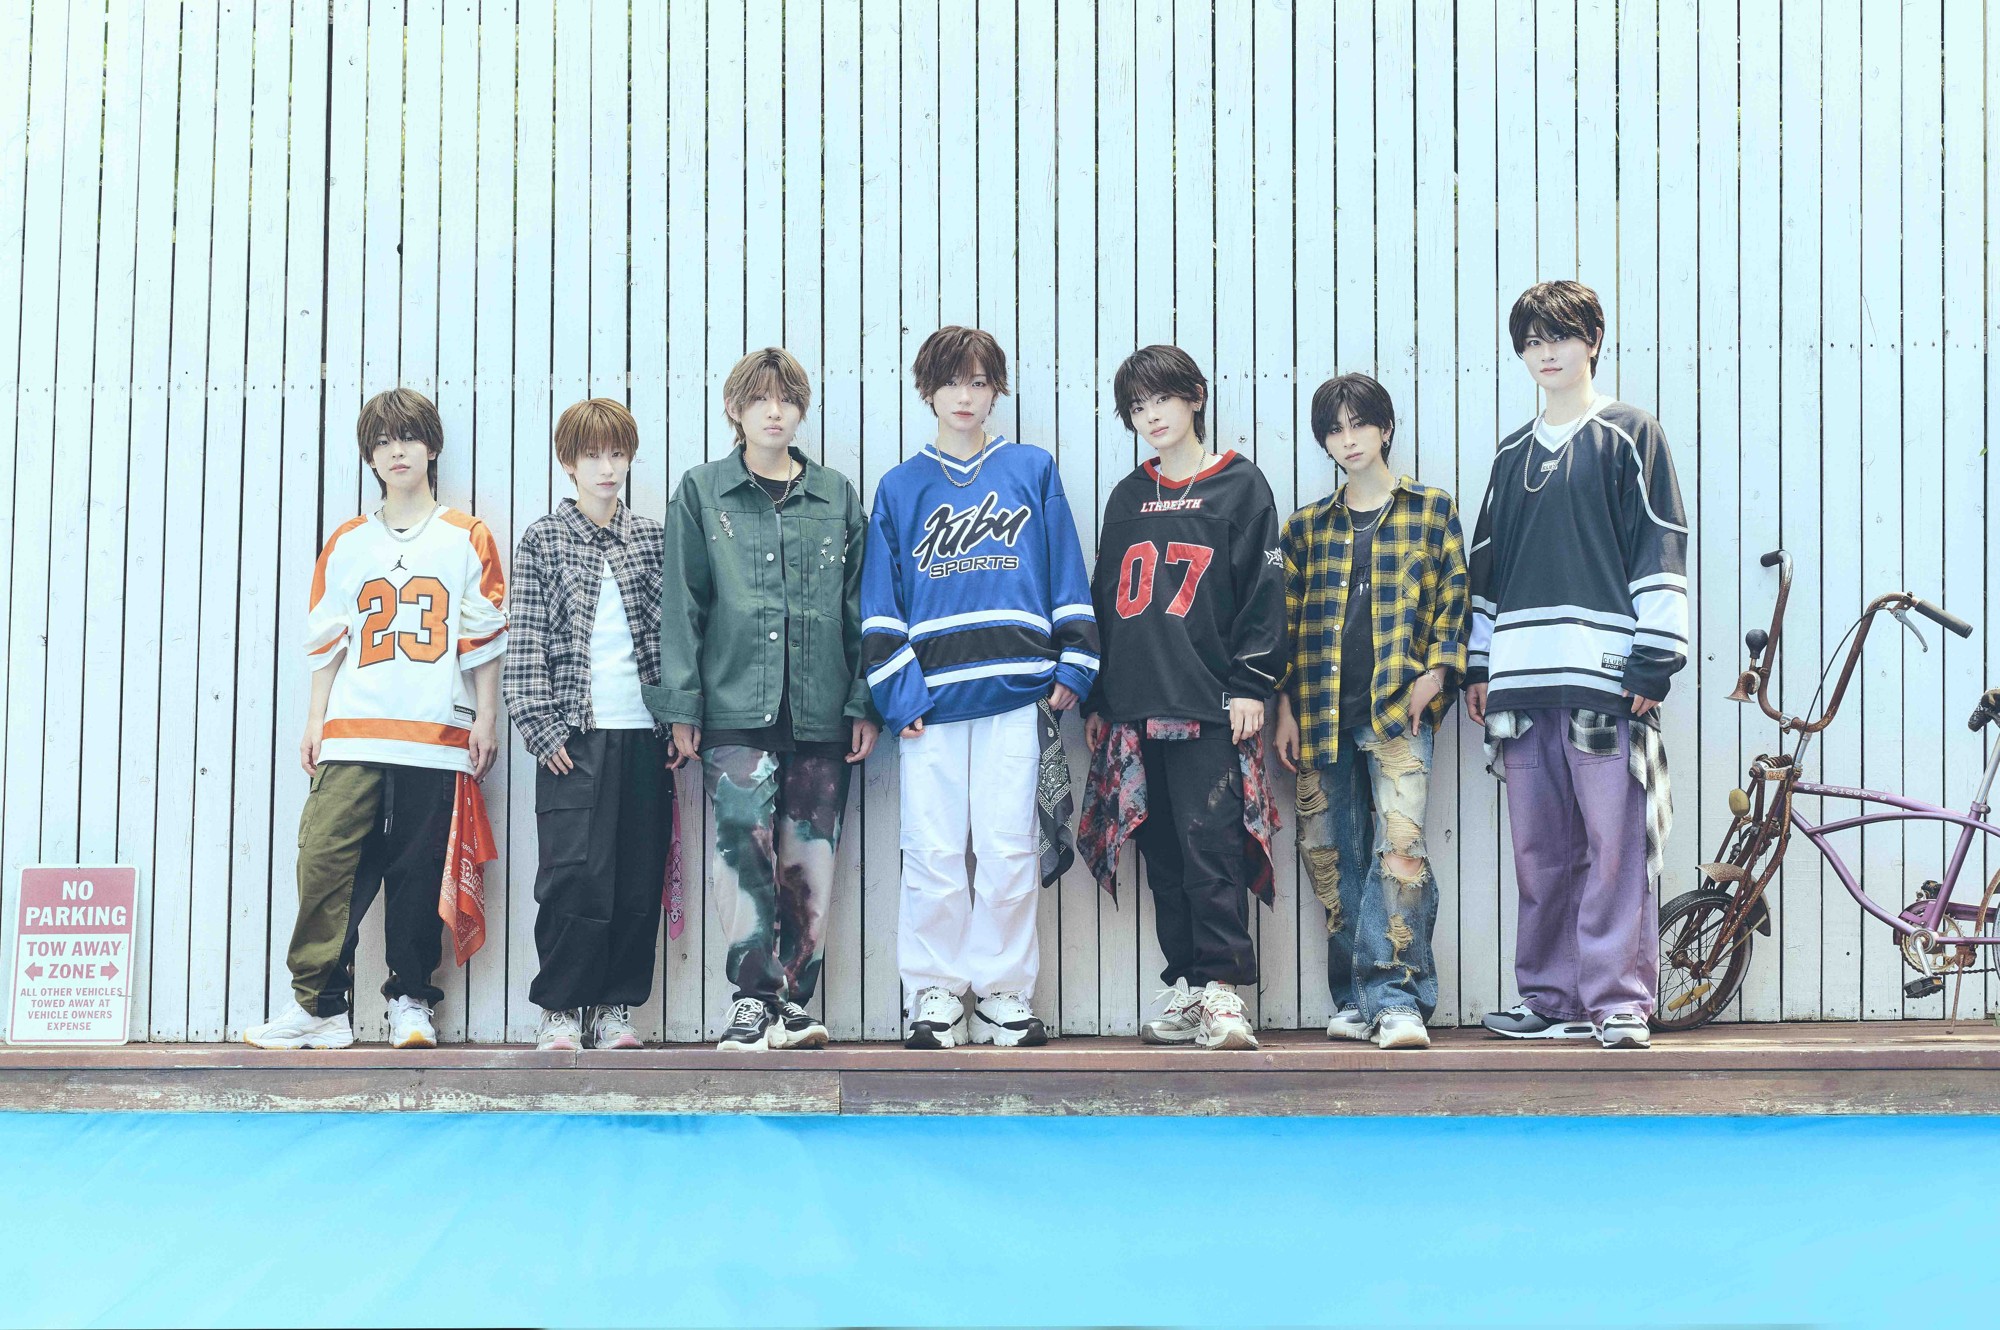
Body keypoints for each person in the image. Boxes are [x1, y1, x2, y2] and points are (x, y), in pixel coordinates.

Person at [245, 388, 508, 1050]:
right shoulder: (348, 541)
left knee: (419, 873)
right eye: (384, 441)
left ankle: (411, 1000)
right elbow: (327, 641)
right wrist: (314, 720)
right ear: (369, 455)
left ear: (432, 447)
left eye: (409, 437)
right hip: (353, 730)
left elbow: (483, 637)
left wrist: (486, 719)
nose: (397, 451)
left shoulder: (466, 536)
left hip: (436, 734)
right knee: (324, 861)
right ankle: (320, 1007)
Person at [862, 326, 1098, 1049]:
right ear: (927, 390)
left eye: (978, 381)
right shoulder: (901, 487)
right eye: (950, 382)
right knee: (931, 851)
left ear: (996, 390)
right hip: (930, 704)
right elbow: (879, 601)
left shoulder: (1031, 469)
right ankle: (934, 992)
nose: (964, 396)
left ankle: (1002, 993)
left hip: (1017, 695)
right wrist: (898, 693)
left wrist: (1074, 661)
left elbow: (1064, 567)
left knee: (1008, 849)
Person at [1467, 279, 1687, 1051]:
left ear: (1592, 340)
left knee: (1614, 846)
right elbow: (1487, 566)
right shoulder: (1511, 454)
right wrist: (1478, 664)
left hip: (1605, 677)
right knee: (1539, 852)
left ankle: (1618, 1001)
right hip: (1521, 682)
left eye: (1559, 336)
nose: (1545, 353)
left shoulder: (1630, 435)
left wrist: (1654, 661)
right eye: (1531, 341)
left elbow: (1660, 544)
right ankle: (1551, 996)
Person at [650, 348, 879, 1052]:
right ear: (735, 410)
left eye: (786, 400)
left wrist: (863, 700)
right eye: (759, 400)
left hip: (821, 709)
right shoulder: (702, 492)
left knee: (809, 864)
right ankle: (753, 1000)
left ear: (801, 409)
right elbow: (682, 604)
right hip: (733, 710)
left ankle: (793, 1007)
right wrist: (681, 708)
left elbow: (861, 607)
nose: (774, 412)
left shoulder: (836, 496)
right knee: (741, 856)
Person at [1078, 345, 1285, 1051]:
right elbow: (1106, 602)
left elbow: (1264, 593)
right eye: (1137, 407)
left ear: (1195, 396)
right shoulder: (1127, 496)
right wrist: (1099, 699)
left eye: (1162, 399)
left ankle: (1224, 990)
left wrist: (1252, 682)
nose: (1151, 416)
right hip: (1136, 705)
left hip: (1208, 703)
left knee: (1213, 847)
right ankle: (1191, 987)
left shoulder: (1241, 485)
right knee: (1161, 853)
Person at [1274, 372, 1467, 1051]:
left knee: (1400, 851)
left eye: (1359, 424)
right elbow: (1284, 626)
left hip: (1396, 713)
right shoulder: (1304, 528)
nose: (1348, 439)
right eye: (1334, 429)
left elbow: (1453, 599)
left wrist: (1435, 675)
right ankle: (1356, 1000)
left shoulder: (1431, 510)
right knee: (1329, 856)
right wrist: (1285, 707)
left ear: (1385, 428)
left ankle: (1399, 999)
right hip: (1319, 714)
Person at [505, 398, 671, 1053]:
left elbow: (672, 637)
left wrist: (677, 721)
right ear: (568, 464)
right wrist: (540, 727)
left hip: (644, 734)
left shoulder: (651, 538)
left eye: (617, 453)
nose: (607, 468)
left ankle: (614, 1008)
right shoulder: (543, 539)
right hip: (573, 736)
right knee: (573, 875)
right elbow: (524, 644)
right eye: (593, 455)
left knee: (636, 875)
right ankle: (562, 1009)